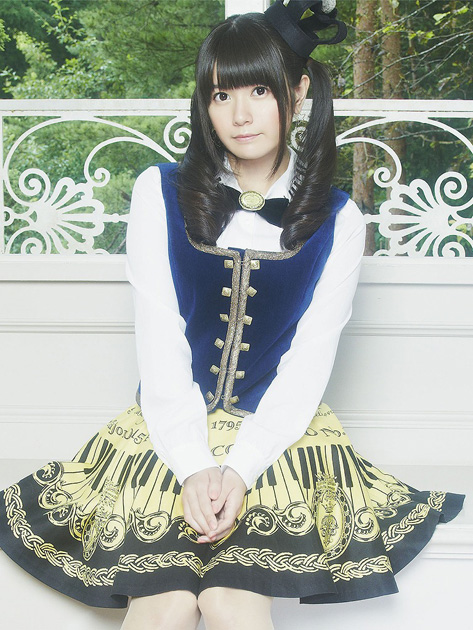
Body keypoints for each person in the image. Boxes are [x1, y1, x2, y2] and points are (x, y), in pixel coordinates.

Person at [0, 2, 465, 629]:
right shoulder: (158, 193)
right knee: (164, 604)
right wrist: (194, 465)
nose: (240, 115)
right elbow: (160, 339)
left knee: (229, 601)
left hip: (279, 437)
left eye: (259, 91)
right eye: (222, 94)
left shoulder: (340, 220)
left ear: (298, 92)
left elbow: (307, 365)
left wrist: (240, 469)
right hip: (168, 428)